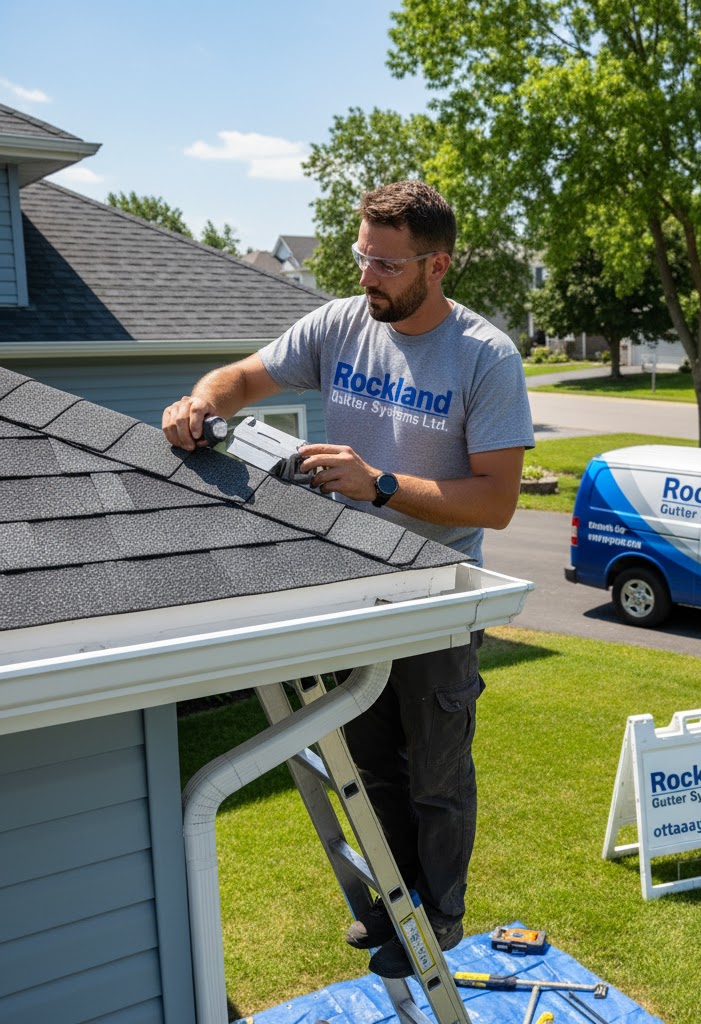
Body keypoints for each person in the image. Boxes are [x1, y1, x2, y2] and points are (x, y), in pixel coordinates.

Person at [162, 180, 534, 978]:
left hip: (436, 593)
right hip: (350, 583)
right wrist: (198, 401)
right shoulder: (339, 323)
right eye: (363, 256)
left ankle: (437, 919)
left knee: (435, 767)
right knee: (365, 761)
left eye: (386, 264)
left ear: (437, 266)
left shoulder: (486, 356)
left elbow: (497, 503)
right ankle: (388, 903)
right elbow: (241, 379)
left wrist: (384, 484)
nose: (367, 276)